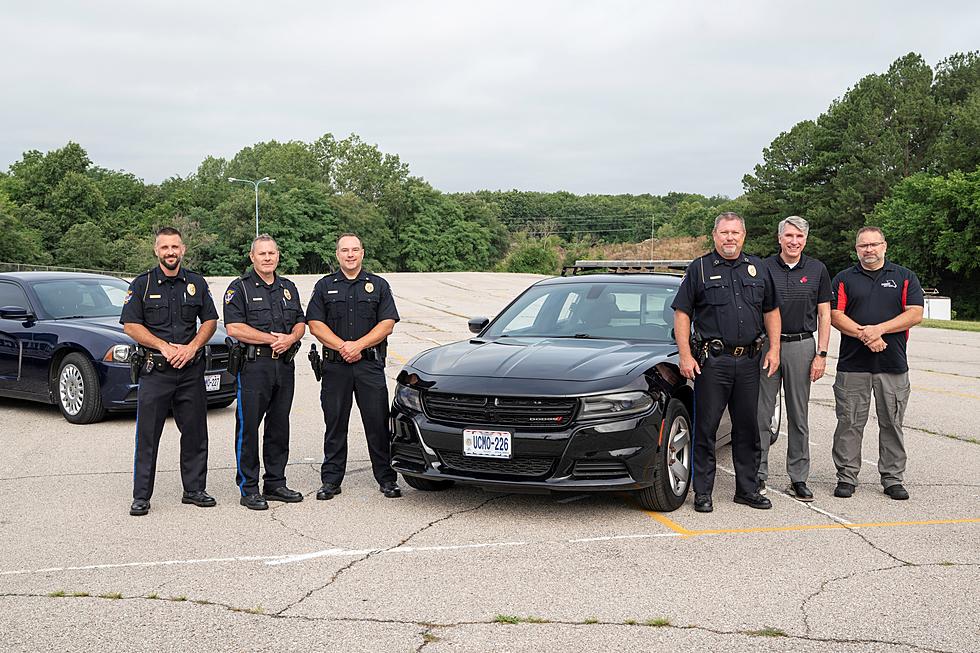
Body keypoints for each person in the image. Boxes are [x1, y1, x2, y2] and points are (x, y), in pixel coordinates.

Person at [672, 212, 782, 513]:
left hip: (750, 361)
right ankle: (703, 493)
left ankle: (747, 490)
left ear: (743, 235)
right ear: (714, 235)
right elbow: (682, 313)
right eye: (724, 233)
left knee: (747, 428)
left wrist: (774, 351)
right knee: (706, 428)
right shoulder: (700, 269)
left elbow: (771, 311)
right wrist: (685, 355)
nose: (729, 238)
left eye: (735, 232)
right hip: (713, 363)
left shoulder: (758, 268)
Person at [121, 226, 218, 516]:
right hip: (156, 369)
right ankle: (141, 496)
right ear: (156, 250)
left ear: (183, 249)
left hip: (190, 370)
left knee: (195, 432)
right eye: (165, 247)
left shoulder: (197, 283)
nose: (170, 252)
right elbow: (130, 325)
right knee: (148, 435)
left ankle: (194, 489)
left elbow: (210, 320)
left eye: (175, 247)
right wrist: (163, 346)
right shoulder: (142, 285)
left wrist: (192, 348)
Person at [830, 226, 923, 500]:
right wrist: (866, 335)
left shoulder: (904, 277)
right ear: (856, 248)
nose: (868, 250)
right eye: (863, 245)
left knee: (892, 423)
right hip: (852, 366)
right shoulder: (844, 278)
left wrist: (879, 329)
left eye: (874, 244)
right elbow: (836, 315)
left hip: (892, 366)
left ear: (885, 246)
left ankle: (892, 479)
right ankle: (846, 477)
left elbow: (915, 314)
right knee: (849, 423)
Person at [306, 233, 402, 500]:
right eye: (345, 250)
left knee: (377, 423)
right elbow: (315, 324)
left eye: (355, 250)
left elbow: (387, 324)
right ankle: (331, 481)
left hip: (369, 365)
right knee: (335, 423)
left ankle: (386, 478)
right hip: (335, 367)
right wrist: (343, 347)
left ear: (362, 253)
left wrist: (357, 345)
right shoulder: (325, 286)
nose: (350, 254)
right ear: (337, 254)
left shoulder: (378, 285)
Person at [223, 235, 307, 510]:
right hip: (254, 367)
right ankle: (248, 487)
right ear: (252, 257)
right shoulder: (240, 289)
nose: (267, 258)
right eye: (262, 254)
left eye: (272, 253)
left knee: (279, 426)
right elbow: (234, 328)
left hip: (284, 365)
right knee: (249, 428)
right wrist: (272, 339)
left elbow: (300, 322)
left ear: (278, 255)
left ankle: (275, 483)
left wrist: (292, 338)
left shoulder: (288, 288)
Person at [756, 216, 832, 502]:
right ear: (779, 238)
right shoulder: (762, 267)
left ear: (806, 240)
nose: (794, 241)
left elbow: (825, 314)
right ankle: (758, 474)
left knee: (799, 416)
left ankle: (798, 478)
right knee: (762, 414)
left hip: (802, 346)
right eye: (789, 236)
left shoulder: (817, 269)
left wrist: (821, 354)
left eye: (799, 237)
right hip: (767, 347)